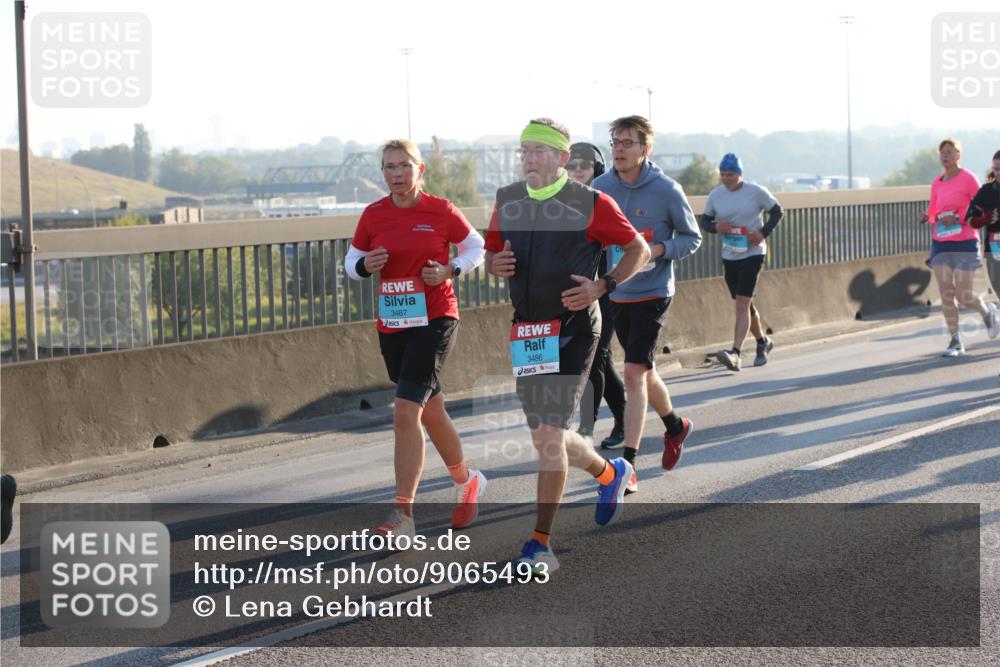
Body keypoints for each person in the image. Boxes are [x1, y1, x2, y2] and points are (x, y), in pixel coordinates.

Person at [485, 119, 650, 573]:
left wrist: (603, 285)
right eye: (524, 150)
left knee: (550, 437)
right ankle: (608, 472)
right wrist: (493, 262)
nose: (529, 158)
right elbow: (491, 253)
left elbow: (639, 249)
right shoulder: (507, 200)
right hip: (528, 332)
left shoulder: (592, 202)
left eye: (539, 151)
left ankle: (540, 543)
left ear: (562, 159)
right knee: (547, 437)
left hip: (575, 329)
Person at [346, 139, 487, 538]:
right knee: (431, 409)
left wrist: (450, 269)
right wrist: (363, 264)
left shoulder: (440, 210)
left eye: (403, 166)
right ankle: (467, 480)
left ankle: (402, 515)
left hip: (436, 317)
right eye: (388, 167)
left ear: (419, 170)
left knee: (406, 411)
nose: (396, 174)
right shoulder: (373, 214)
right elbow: (351, 260)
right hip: (393, 324)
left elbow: (476, 246)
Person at [592, 115, 702, 495]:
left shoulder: (667, 190)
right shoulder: (600, 187)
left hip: (654, 292)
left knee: (635, 373)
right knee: (647, 371)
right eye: (615, 143)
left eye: (627, 143)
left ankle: (628, 464)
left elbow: (692, 238)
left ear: (645, 149)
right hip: (615, 292)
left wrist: (658, 249)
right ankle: (674, 426)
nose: (619, 150)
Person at [567, 142, 627, 448]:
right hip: (580, 290)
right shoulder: (562, 201)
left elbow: (631, 245)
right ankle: (625, 418)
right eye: (572, 166)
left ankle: (586, 429)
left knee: (596, 356)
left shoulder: (605, 201)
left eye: (584, 166)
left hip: (608, 287)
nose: (577, 171)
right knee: (601, 357)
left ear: (597, 170)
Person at [698, 153, 783, 371]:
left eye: (731, 174)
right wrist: (716, 227)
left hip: (753, 253)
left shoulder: (756, 192)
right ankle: (763, 342)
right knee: (745, 304)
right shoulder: (716, 195)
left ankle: (735, 353)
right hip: (730, 254)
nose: (727, 178)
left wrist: (762, 233)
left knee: (741, 303)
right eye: (723, 174)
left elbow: (777, 211)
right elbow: (705, 221)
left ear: (740, 174)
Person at [921, 138, 998, 356]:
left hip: (965, 241)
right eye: (942, 152)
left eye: (950, 152)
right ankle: (955, 341)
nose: (945, 155)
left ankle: (986, 312)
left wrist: (957, 217)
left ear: (958, 155)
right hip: (941, 243)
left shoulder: (968, 179)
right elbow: (934, 210)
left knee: (963, 294)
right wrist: (929, 216)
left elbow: (980, 208)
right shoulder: (937, 183)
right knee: (946, 292)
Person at [967, 150, 1000, 315]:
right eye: (995, 169)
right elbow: (972, 221)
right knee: (998, 287)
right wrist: (986, 218)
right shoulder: (986, 191)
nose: (998, 173)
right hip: (994, 247)